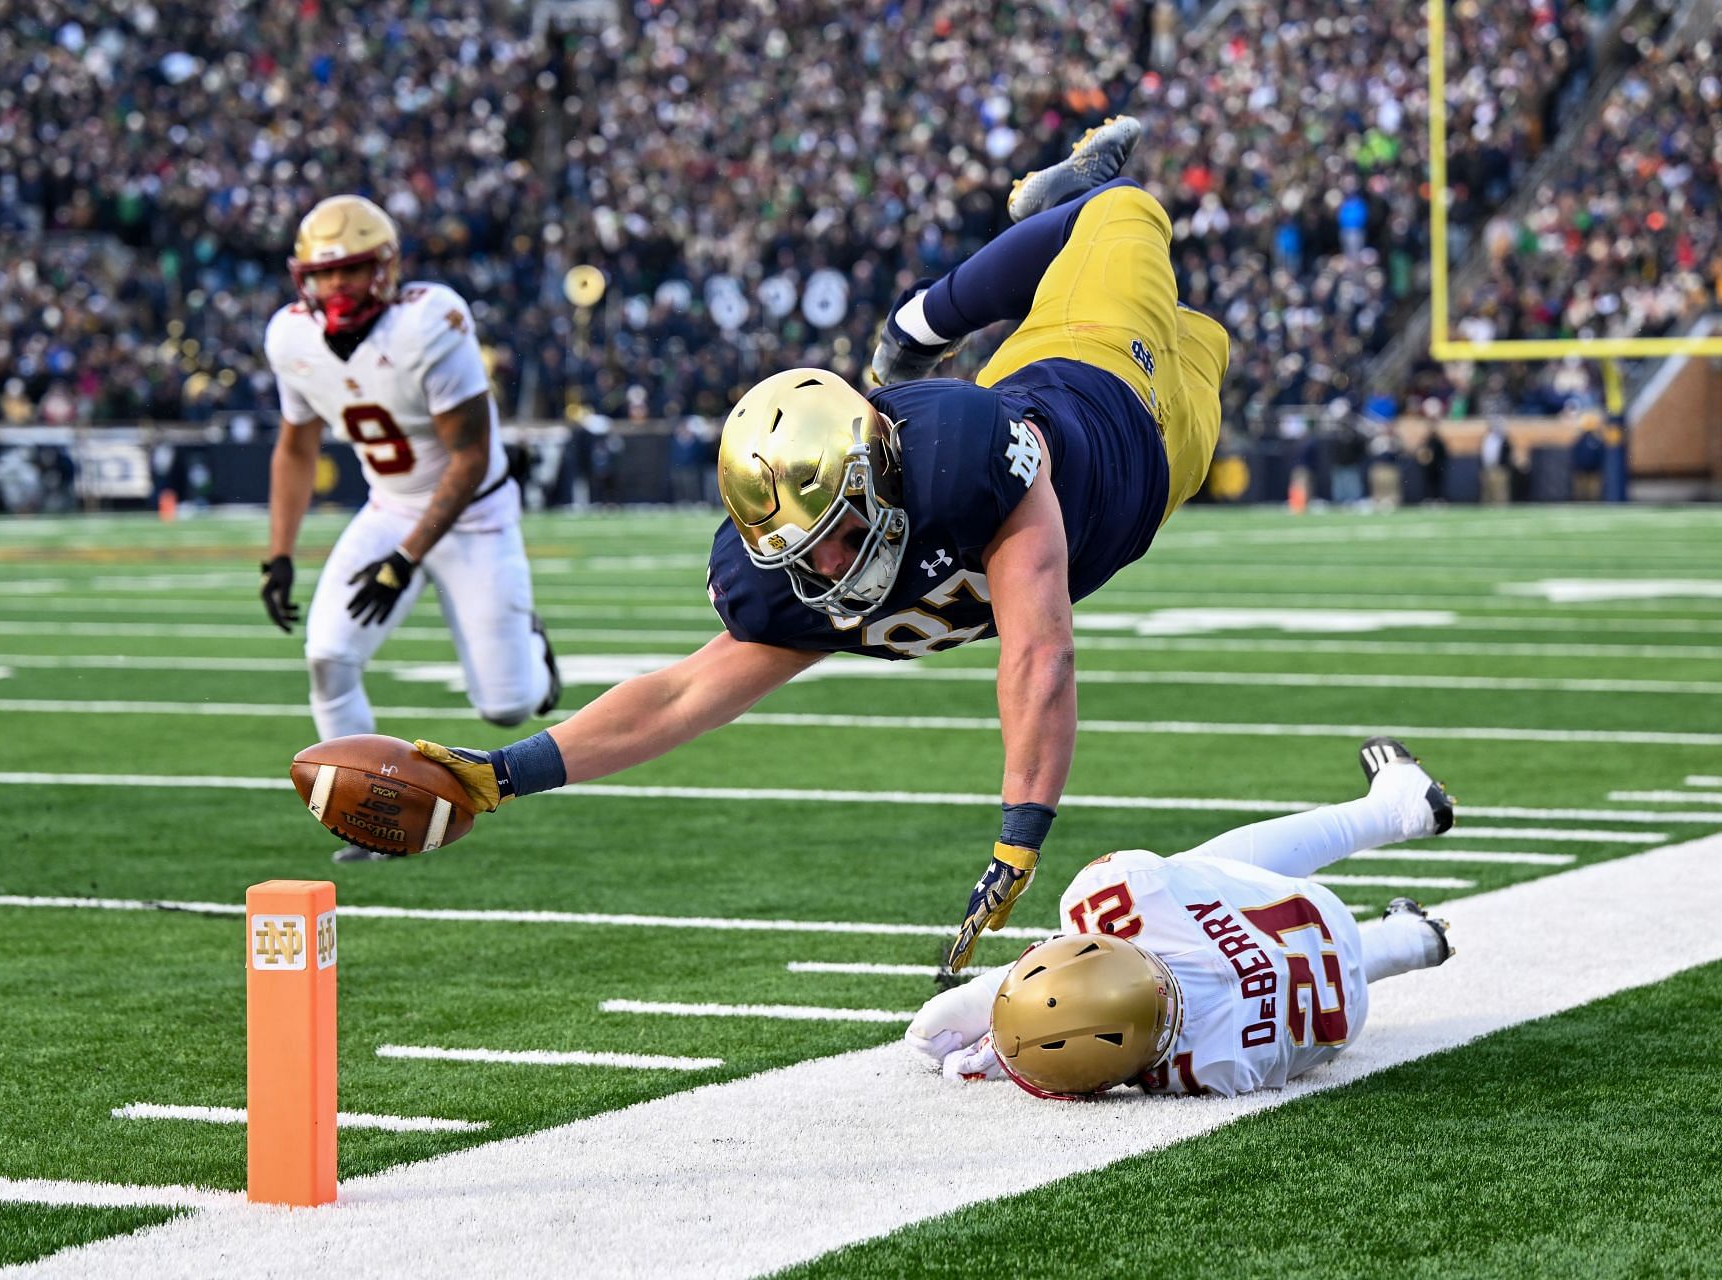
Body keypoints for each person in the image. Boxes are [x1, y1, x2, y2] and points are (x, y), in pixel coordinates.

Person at [388, 118, 1231, 970]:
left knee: (1124, 211)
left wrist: (1019, 835)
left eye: (837, 536)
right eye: (802, 554)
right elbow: (680, 696)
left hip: (1097, 370)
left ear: (883, 477)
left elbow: (1040, 652)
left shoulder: (964, 463)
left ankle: (924, 313)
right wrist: (500, 773)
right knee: (1206, 336)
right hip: (1168, 478)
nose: (827, 569)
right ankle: (1044, 252)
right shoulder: (795, 576)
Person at [259, 195, 561, 862]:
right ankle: (369, 819)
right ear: (301, 275)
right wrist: (279, 554)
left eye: (353, 270)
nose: (336, 286)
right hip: (390, 505)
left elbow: (472, 456)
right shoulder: (289, 337)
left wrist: (405, 559)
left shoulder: (430, 321)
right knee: (328, 657)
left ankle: (537, 660)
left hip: (475, 514)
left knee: (509, 708)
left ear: (387, 268)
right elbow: (296, 447)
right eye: (325, 273)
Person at [906, 737, 1456, 1099]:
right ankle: (1393, 810)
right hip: (1312, 913)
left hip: (1346, 1011)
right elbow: (1079, 965)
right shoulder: (1123, 893)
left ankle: (1413, 941)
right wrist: (988, 1004)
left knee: (1280, 956)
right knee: (1195, 870)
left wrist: (1012, 1047)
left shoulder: (1212, 1071)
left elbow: (1100, 1036)